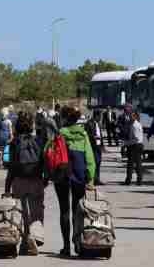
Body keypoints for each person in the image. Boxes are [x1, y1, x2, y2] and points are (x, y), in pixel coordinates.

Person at [46, 105, 96, 258]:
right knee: (77, 211)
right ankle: (78, 244)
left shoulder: (59, 134)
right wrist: (91, 177)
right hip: (79, 175)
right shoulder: (83, 134)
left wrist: (48, 174)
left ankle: (66, 246)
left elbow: (48, 153)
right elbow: (90, 158)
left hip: (61, 175)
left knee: (64, 211)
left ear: (64, 118)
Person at [5, 112, 46, 256]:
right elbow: (44, 161)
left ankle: (23, 242)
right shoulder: (39, 141)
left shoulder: (14, 143)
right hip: (36, 180)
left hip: (18, 181)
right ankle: (33, 236)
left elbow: (10, 167)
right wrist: (45, 179)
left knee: (21, 213)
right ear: (31, 126)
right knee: (36, 212)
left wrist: (7, 187)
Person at [122, 111, 144, 186]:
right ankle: (138, 180)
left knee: (132, 164)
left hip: (135, 146)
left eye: (131, 116)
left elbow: (136, 139)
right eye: (129, 116)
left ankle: (129, 180)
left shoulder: (135, 125)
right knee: (137, 164)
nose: (130, 117)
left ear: (135, 117)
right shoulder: (136, 124)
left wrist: (126, 143)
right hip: (137, 145)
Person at [84, 109, 105, 186]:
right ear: (96, 116)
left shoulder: (98, 123)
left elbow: (100, 135)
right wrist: (94, 137)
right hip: (93, 146)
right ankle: (92, 179)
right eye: (100, 116)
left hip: (98, 146)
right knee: (94, 163)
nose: (101, 118)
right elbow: (87, 135)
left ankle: (97, 179)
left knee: (99, 162)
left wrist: (102, 145)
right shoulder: (89, 123)